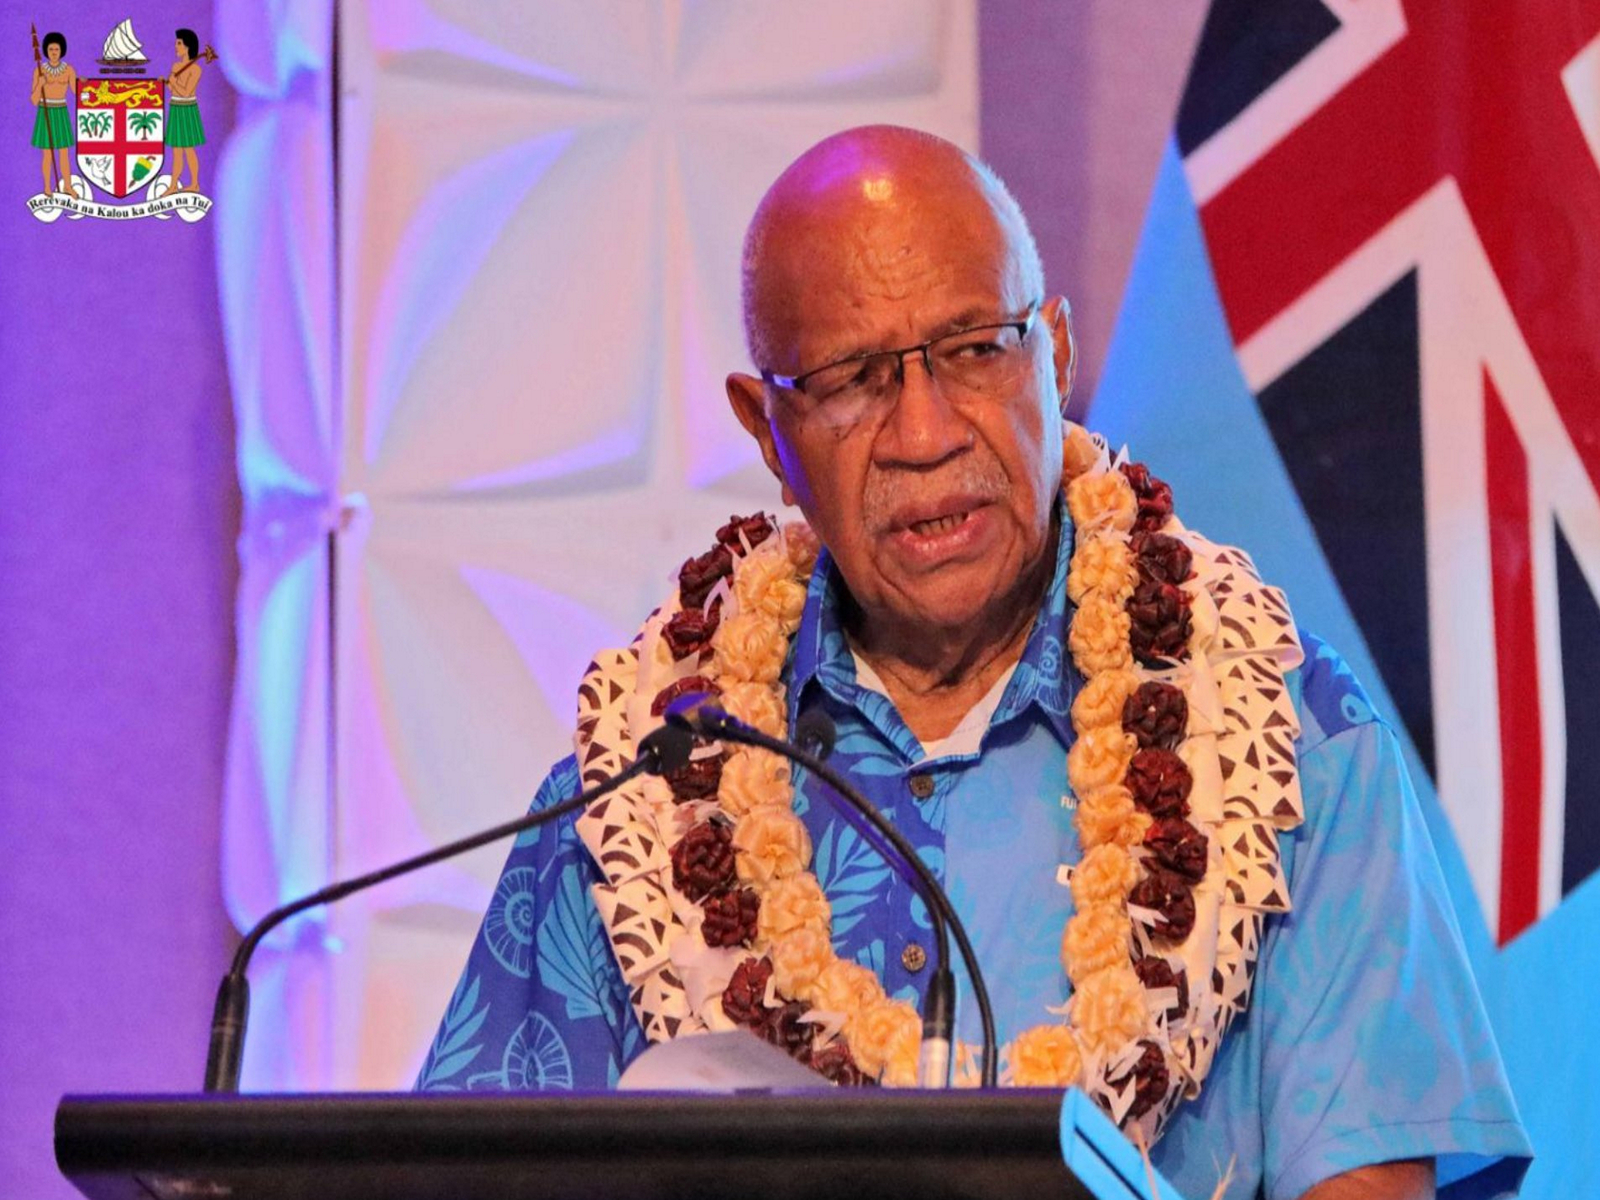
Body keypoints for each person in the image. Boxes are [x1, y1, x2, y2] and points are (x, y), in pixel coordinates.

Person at [419, 126, 1531, 1200]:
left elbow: (1367, 1176)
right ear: (768, 432)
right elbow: (476, 1177)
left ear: (1054, 349)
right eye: (854, 379)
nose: (924, 432)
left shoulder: (1286, 739)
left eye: (972, 351)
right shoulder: (646, 785)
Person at [30, 31, 75, 196]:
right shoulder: (39, 71)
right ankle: (47, 188)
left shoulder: (69, 70)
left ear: (61, 50)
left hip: (61, 112)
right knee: (47, 155)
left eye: (56, 49)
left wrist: (86, 87)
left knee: (64, 153)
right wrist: (39, 85)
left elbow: (77, 91)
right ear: (46, 51)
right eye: (50, 49)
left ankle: (67, 187)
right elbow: (34, 100)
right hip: (45, 112)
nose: (54, 52)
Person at [164, 29, 205, 193]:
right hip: (176, 107)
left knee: (189, 149)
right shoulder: (176, 66)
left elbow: (186, 91)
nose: (176, 46)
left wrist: (173, 83)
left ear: (188, 46)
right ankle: (174, 185)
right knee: (176, 151)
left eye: (179, 43)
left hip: (187, 109)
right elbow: (171, 88)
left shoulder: (195, 70)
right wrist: (169, 83)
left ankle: (194, 183)